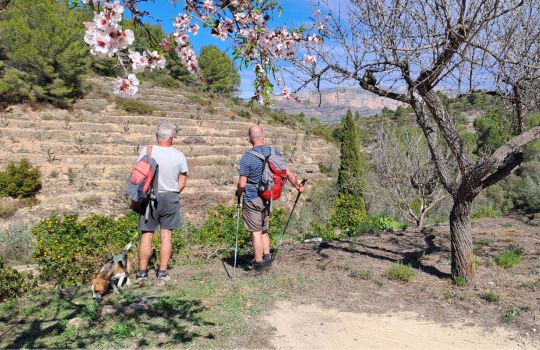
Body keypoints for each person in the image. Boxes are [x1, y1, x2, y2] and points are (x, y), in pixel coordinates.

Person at [236, 124, 304, 274]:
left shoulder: (247, 157)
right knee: (264, 229)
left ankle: (259, 265)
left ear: (249, 139)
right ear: (263, 137)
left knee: (256, 232)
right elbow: (287, 172)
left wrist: (238, 192)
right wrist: (298, 186)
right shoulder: (275, 152)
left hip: (252, 198)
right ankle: (267, 257)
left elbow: (242, 183)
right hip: (269, 196)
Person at [135, 122, 188, 286]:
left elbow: (138, 175)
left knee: (146, 235)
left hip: (149, 198)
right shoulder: (179, 155)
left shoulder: (147, 151)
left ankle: (142, 274)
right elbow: (183, 180)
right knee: (166, 235)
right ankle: (162, 274)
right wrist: (174, 191)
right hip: (170, 197)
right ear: (171, 138)